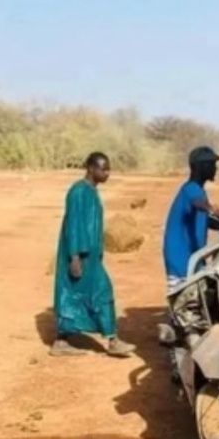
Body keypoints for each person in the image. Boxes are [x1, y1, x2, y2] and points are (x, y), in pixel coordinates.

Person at [50, 152, 136, 358]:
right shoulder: (79, 192)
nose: (107, 173)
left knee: (75, 295)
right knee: (100, 291)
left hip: (90, 256)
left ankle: (62, 340)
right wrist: (75, 257)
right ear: (91, 168)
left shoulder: (91, 191)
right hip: (80, 256)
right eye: (103, 169)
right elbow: (74, 225)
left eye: (108, 169)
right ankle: (112, 340)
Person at [162, 146, 219, 293]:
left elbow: (207, 220)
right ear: (201, 167)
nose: (215, 168)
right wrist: (210, 208)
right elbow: (198, 204)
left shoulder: (198, 190)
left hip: (193, 256)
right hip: (181, 256)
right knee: (182, 301)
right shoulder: (191, 189)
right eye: (212, 165)